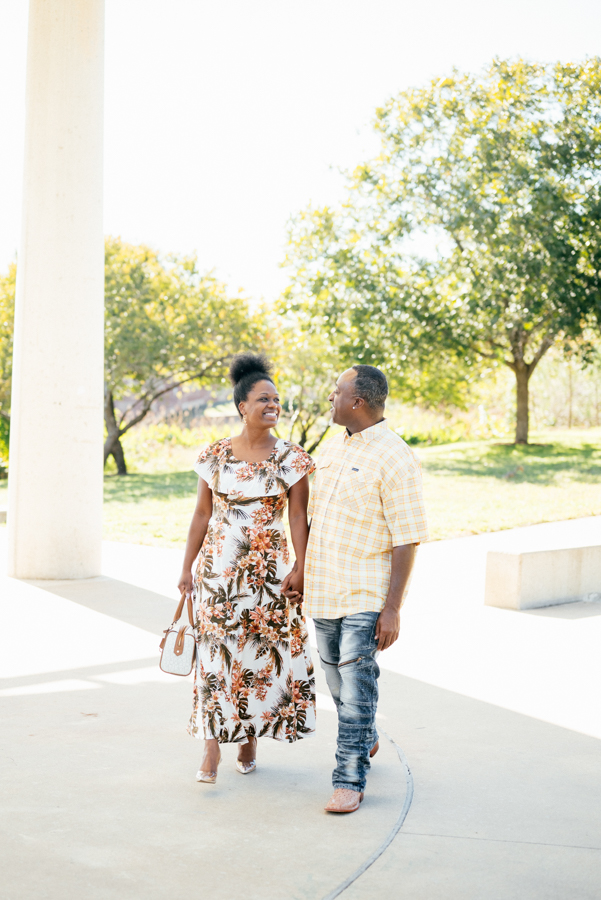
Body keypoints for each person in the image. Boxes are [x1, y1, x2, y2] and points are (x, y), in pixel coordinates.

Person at [178, 352, 316, 783]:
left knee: (258, 658)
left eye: (276, 399)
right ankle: (211, 747)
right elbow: (201, 515)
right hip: (218, 575)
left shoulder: (292, 458)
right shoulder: (215, 455)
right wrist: (186, 568)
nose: (272, 405)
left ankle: (250, 738)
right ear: (243, 407)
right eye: (263, 399)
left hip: (270, 577)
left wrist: (302, 567)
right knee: (216, 657)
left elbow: (298, 517)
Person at [302, 364, 428, 813]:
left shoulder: (396, 456)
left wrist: (392, 608)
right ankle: (366, 735)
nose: (331, 398)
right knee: (333, 672)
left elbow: (407, 535)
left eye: (337, 391)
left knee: (355, 684)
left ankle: (349, 777)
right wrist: (301, 569)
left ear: (357, 402)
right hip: (324, 586)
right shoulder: (334, 448)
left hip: (365, 591)